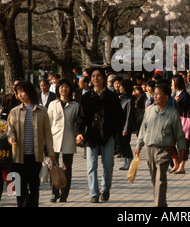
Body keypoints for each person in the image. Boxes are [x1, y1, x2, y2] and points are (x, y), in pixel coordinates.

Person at [75, 67, 124, 203]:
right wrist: (78, 132)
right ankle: (94, 193)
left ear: (103, 78)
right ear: (91, 79)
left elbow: (120, 116)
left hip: (107, 135)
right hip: (91, 135)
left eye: (98, 76)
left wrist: (115, 132)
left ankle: (105, 189)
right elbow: (81, 117)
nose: (96, 78)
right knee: (91, 165)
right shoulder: (86, 98)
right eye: (93, 76)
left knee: (108, 165)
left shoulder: (112, 97)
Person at [134, 82, 186, 207]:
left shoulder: (172, 113)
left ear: (166, 97)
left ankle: (158, 205)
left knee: (160, 178)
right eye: (154, 94)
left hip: (164, 149)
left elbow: (179, 134)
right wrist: (138, 146)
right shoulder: (150, 110)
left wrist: (181, 151)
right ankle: (161, 203)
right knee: (154, 178)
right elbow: (143, 129)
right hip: (149, 148)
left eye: (158, 94)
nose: (155, 97)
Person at [7, 79, 56, 207]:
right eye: (18, 93)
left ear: (29, 91)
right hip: (18, 155)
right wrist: (11, 137)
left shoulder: (42, 111)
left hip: (35, 155)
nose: (20, 95)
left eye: (22, 92)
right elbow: (9, 129)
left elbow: (47, 134)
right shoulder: (14, 111)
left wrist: (51, 153)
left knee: (34, 186)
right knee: (20, 187)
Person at [47, 79, 79, 203]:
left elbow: (77, 123)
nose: (64, 89)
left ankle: (64, 194)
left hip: (69, 138)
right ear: (58, 89)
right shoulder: (52, 104)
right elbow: (48, 122)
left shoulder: (75, 105)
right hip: (54, 139)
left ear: (70, 89)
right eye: (61, 87)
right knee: (53, 167)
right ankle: (54, 193)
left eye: (66, 87)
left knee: (67, 168)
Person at [170, 75, 190, 174]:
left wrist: (179, 102)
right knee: (170, 143)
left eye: (172, 83)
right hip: (174, 120)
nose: (171, 85)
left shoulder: (185, 95)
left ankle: (182, 166)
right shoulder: (175, 94)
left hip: (183, 121)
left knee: (183, 144)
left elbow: (186, 108)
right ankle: (175, 164)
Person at [117, 79, 136, 170]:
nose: (119, 87)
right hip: (119, 125)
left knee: (126, 144)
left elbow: (129, 116)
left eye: (121, 86)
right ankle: (125, 162)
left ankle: (130, 162)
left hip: (125, 125)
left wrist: (126, 129)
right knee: (120, 144)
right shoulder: (122, 98)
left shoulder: (130, 100)